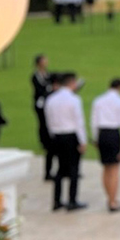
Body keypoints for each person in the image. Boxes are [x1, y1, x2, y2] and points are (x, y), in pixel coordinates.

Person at [43, 73, 87, 211]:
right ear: (72, 83)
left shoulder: (51, 99)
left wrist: (53, 135)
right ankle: (72, 200)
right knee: (74, 168)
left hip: (56, 136)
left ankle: (57, 200)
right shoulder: (74, 99)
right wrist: (83, 141)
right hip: (71, 136)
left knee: (60, 169)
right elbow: (79, 121)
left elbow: (48, 120)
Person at [91, 78, 120, 212]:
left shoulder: (98, 101)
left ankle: (109, 197)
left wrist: (95, 138)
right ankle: (113, 200)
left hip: (102, 134)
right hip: (114, 134)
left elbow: (94, 122)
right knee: (115, 168)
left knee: (106, 168)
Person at [31, 54, 55, 181]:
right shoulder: (35, 76)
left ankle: (47, 139)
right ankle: (43, 140)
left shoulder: (47, 73)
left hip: (47, 102)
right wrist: (48, 87)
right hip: (40, 103)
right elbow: (41, 88)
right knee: (42, 122)